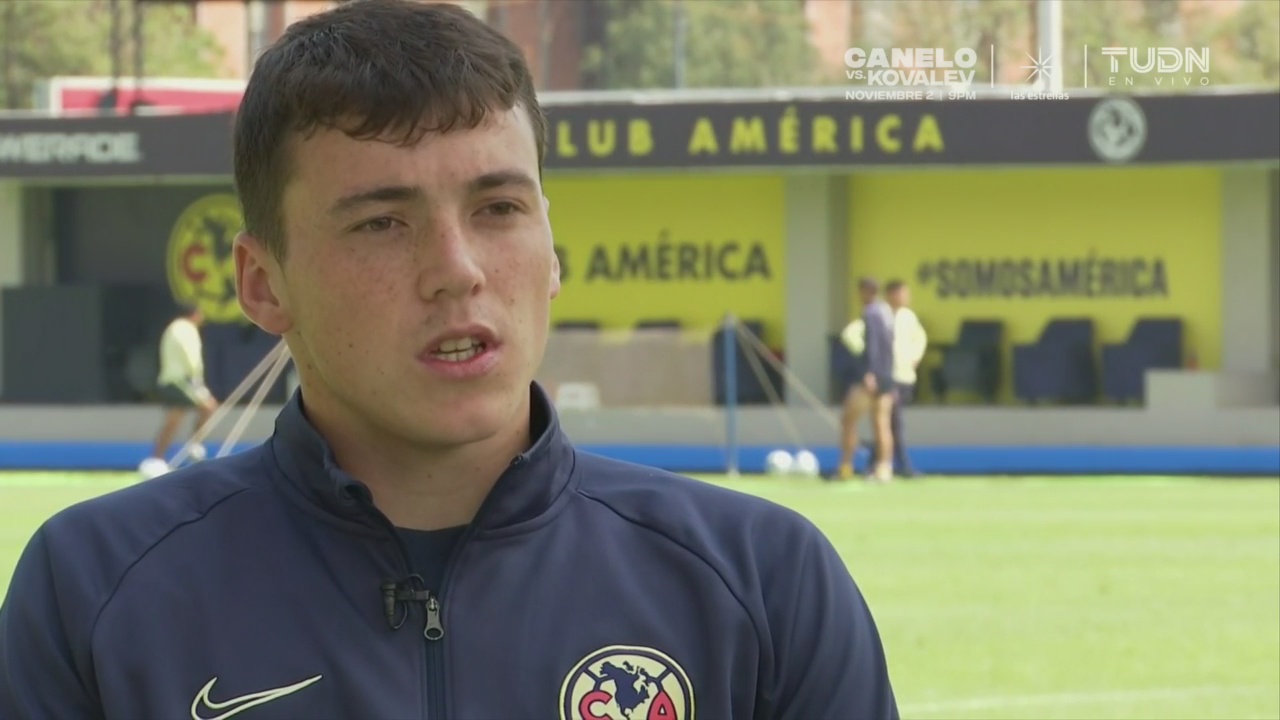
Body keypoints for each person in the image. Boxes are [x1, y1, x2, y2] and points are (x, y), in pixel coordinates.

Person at [0, 2, 898, 719]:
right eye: (382, 223)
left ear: (552, 253)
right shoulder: (95, 590)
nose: (457, 270)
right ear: (263, 283)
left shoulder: (763, 582)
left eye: (500, 209)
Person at [141, 303, 218, 471]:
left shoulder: (173, 328)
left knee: (174, 419)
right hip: (181, 380)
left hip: (172, 379)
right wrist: (197, 381)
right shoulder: (185, 328)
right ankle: (193, 445)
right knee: (208, 407)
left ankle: (158, 459)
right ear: (195, 314)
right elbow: (191, 356)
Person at [838, 277, 896, 483]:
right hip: (888, 374)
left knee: (848, 420)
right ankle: (884, 469)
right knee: (882, 423)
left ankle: (846, 466)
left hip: (872, 376)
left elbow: (872, 344)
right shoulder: (888, 312)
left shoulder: (871, 312)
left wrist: (870, 373)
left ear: (865, 291)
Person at [885, 279, 927, 478]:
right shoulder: (880, 314)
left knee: (893, 422)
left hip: (905, 376)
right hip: (887, 377)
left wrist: (916, 357)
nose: (906, 297)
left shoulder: (908, 317)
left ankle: (889, 463)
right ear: (892, 294)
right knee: (892, 422)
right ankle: (899, 465)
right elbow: (852, 335)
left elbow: (920, 338)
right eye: (902, 293)